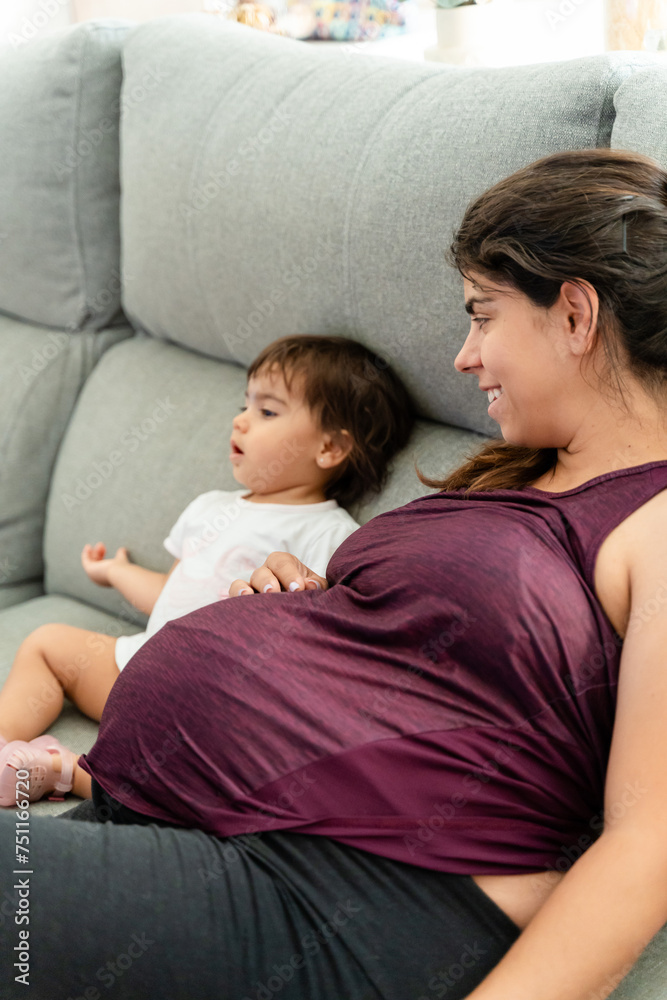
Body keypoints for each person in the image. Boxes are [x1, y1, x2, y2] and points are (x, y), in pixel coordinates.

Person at [1, 147, 667, 1000]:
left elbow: (648, 840)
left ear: (574, 314)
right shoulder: (519, 479)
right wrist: (304, 606)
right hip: (194, 822)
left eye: (482, 315)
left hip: (336, 893)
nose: (463, 358)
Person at [0, 334, 415, 807]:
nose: (240, 419)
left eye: (267, 411)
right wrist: (117, 572)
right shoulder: (210, 507)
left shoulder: (329, 534)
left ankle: (65, 772)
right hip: (134, 667)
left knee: (187, 756)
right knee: (48, 643)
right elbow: (172, 592)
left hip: (206, 692)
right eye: (245, 404)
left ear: (330, 447)